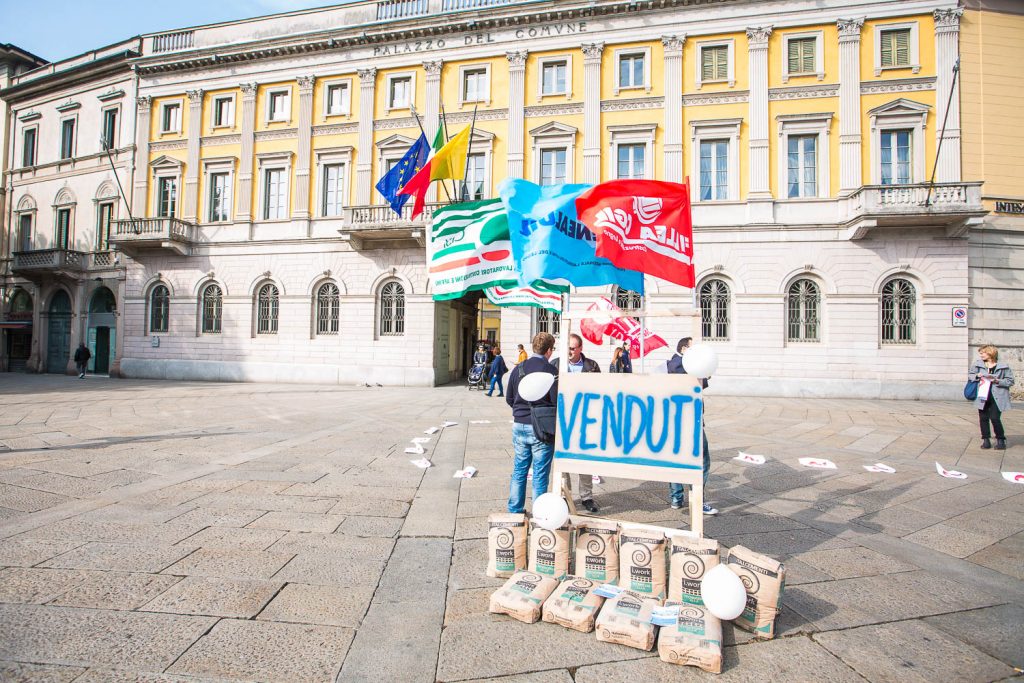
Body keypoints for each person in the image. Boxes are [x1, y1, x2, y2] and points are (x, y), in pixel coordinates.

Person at [505, 332, 559, 513]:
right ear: (549, 350)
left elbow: (509, 398)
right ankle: (539, 512)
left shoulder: (519, 368)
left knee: (519, 470)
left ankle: (515, 510)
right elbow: (554, 400)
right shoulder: (551, 371)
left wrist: (521, 411)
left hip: (519, 424)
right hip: (540, 427)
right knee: (540, 474)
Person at [667, 337, 718, 516]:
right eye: (692, 347)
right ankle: (698, 499)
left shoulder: (675, 366)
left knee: (676, 459)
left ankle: (676, 498)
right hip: (691, 421)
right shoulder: (682, 365)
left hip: (675, 421)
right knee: (702, 460)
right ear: (683, 349)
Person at [552, 333, 600, 513]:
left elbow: (600, 390)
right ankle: (566, 495)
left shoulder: (591, 366)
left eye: (573, 348)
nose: (570, 351)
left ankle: (587, 497)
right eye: (567, 348)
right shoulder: (556, 364)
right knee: (563, 460)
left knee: (585, 460)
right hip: (562, 418)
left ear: (580, 348)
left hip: (585, 419)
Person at [969, 345, 1014, 450]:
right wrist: (977, 376)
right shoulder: (978, 365)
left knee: (995, 418)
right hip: (982, 395)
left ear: (990, 353)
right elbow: (970, 375)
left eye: (983, 353)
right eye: (980, 353)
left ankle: (1001, 439)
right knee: (983, 418)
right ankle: (986, 440)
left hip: (997, 396)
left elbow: (1010, 381)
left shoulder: (1003, 366)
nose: (981, 355)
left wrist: (997, 381)